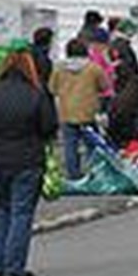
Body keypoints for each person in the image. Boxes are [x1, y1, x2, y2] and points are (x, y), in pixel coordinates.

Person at [0, 40, 58, 276]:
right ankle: (14, 267)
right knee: (21, 213)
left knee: (1, 209)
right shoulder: (36, 94)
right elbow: (49, 128)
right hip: (27, 159)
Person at [49, 39, 111, 179]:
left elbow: (52, 88)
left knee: (70, 146)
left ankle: (73, 175)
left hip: (66, 112)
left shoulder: (58, 68)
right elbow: (105, 87)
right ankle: (91, 174)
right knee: (91, 145)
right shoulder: (94, 68)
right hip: (88, 113)